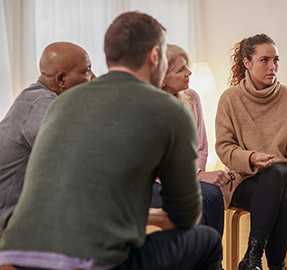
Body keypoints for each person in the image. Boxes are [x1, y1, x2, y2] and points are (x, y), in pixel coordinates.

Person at [0, 11, 222, 270]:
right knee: (207, 239)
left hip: (16, 255)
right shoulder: (170, 109)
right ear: (155, 56)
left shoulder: (63, 103)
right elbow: (187, 216)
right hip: (85, 261)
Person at [215, 33, 287, 270]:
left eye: (276, 60)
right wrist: (250, 157)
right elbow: (224, 147)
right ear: (247, 63)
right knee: (280, 202)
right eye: (264, 60)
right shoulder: (230, 99)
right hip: (246, 179)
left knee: (274, 173)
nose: (273, 66)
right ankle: (276, 266)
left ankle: (252, 257)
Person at [0, 41, 95, 238]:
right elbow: (81, 161)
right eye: (86, 71)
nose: (93, 78)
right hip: (11, 219)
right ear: (61, 80)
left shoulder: (36, 98)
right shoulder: (43, 106)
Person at [151, 44, 228, 236]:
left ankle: (212, 261)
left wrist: (196, 173)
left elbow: (200, 147)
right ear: (161, 79)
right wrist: (194, 175)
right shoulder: (146, 107)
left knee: (213, 193)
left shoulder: (191, 98)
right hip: (152, 183)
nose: (189, 72)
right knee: (196, 200)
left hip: (185, 177)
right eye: (181, 69)